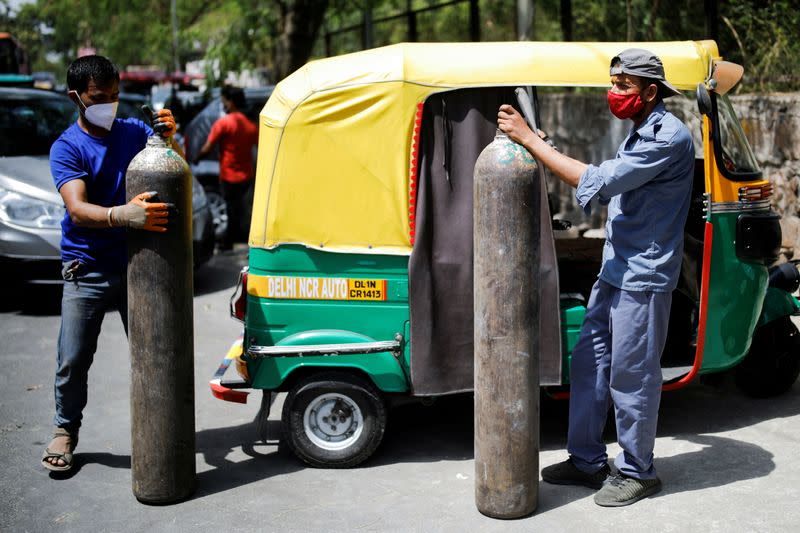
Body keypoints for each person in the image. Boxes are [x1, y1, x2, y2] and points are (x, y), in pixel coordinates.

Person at [498, 48, 695, 506]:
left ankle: (638, 471)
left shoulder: (667, 137)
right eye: (612, 83)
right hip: (615, 268)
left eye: (622, 86)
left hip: (642, 277)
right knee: (589, 364)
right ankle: (587, 460)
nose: (613, 93)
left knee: (632, 376)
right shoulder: (640, 130)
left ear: (650, 91)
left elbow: (599, 183)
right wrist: (540, 145)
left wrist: (532, 142)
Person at [42, 55, 180, 472]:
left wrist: (169, 138)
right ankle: (65, 430)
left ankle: (166, 430)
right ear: (77, 98)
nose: (110, 105)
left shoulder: (134, 131)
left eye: (116, 97)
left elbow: (168, 166)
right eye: (100, 98)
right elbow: (79, 209)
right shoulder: (68, 147)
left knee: (155, 352)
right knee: (73, 357)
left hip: (139, 265)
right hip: (87, 267)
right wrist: (122, 214)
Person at [193, 85, 258, 250]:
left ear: (230, 102)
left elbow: (207, 147)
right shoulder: (250, 126)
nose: (223, 104)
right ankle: (244, 240)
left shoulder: (223, 123)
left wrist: (196, 158)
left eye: (224, 100)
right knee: (241, 209)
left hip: (229, 176)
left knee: (230, 209)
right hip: (246, 176)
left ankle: (228, 243)